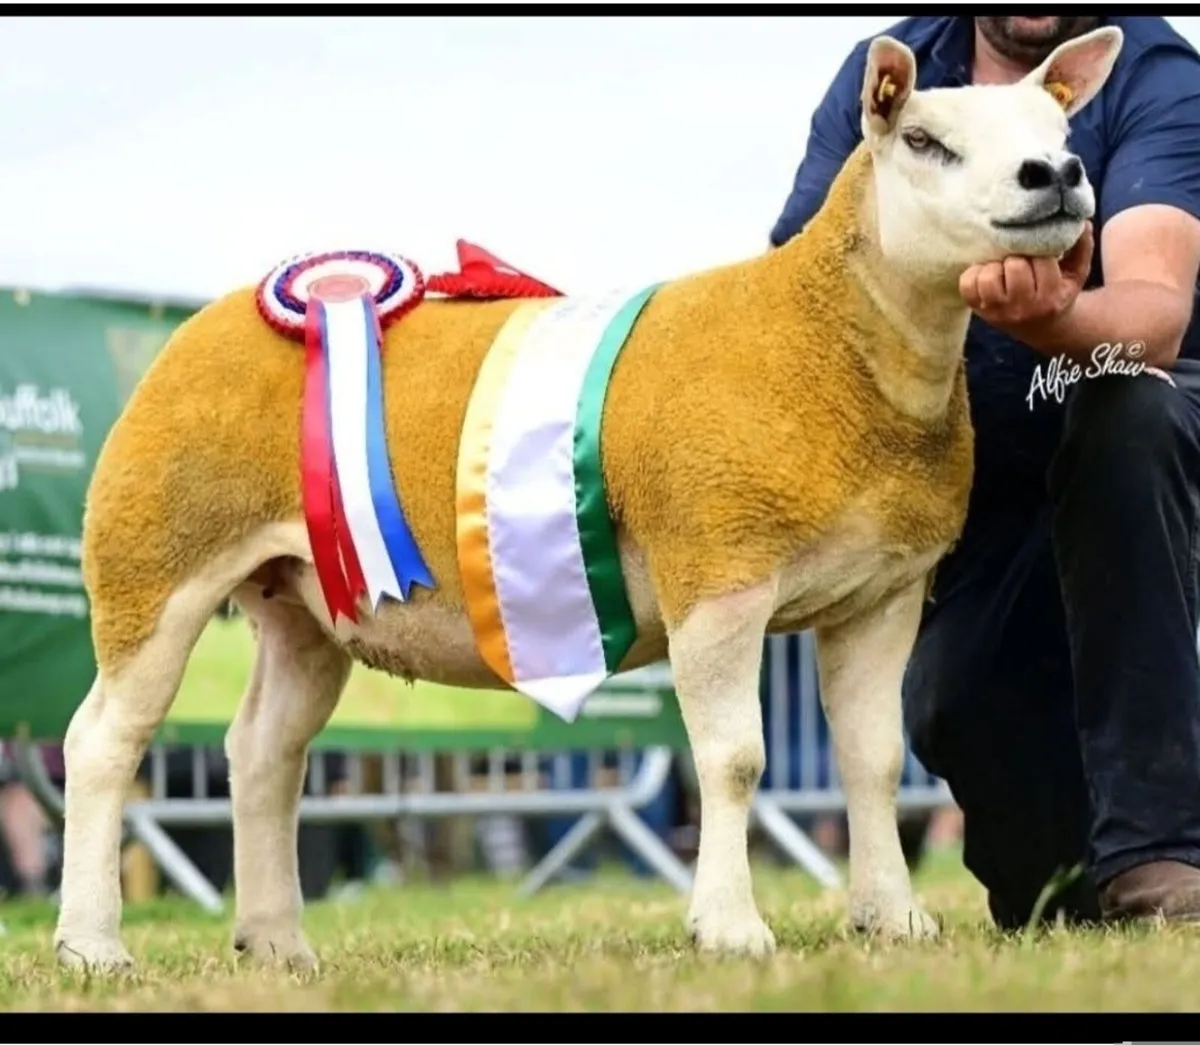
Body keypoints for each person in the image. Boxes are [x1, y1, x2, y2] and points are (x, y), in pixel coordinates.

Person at [771, 15, 1200, 929]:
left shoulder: (1155, 76)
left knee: (1130, 409)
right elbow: (804, 279)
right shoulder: (889, 73)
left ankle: (1161, 854)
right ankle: (1083, 872)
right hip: (977, 483)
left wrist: (1048, 322)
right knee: (963, 716)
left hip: (1144, 467)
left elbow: (1156, 319)